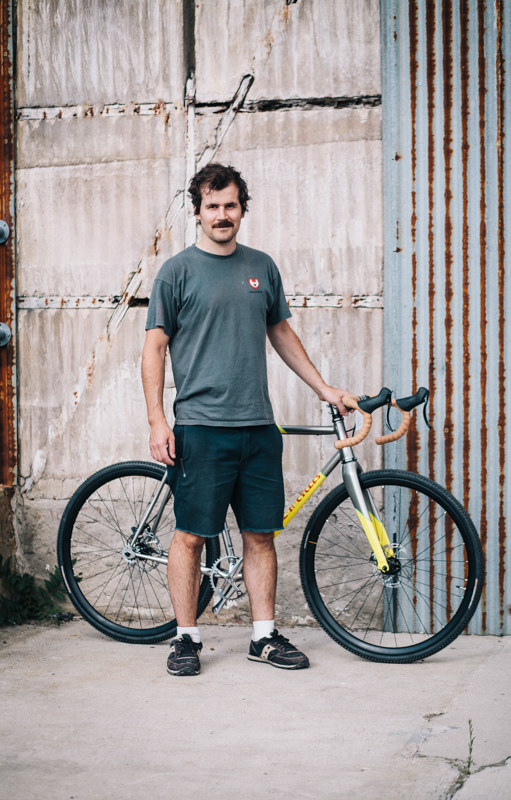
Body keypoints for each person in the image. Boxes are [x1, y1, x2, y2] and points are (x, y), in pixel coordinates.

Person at [142, 163, 350, 676]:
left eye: (230, 205)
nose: (221, 215)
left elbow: (281, 335)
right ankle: (186, 637)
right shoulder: (176, 271)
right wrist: (156, 421)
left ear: (242, 209)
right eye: (211, 206)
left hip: (258, 426)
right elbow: (153, 350)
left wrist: (324, 388)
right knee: (191, 535)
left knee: (260, 535)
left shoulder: (262, 266)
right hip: (201, 426)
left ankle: (263, 636)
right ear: (197, 213)